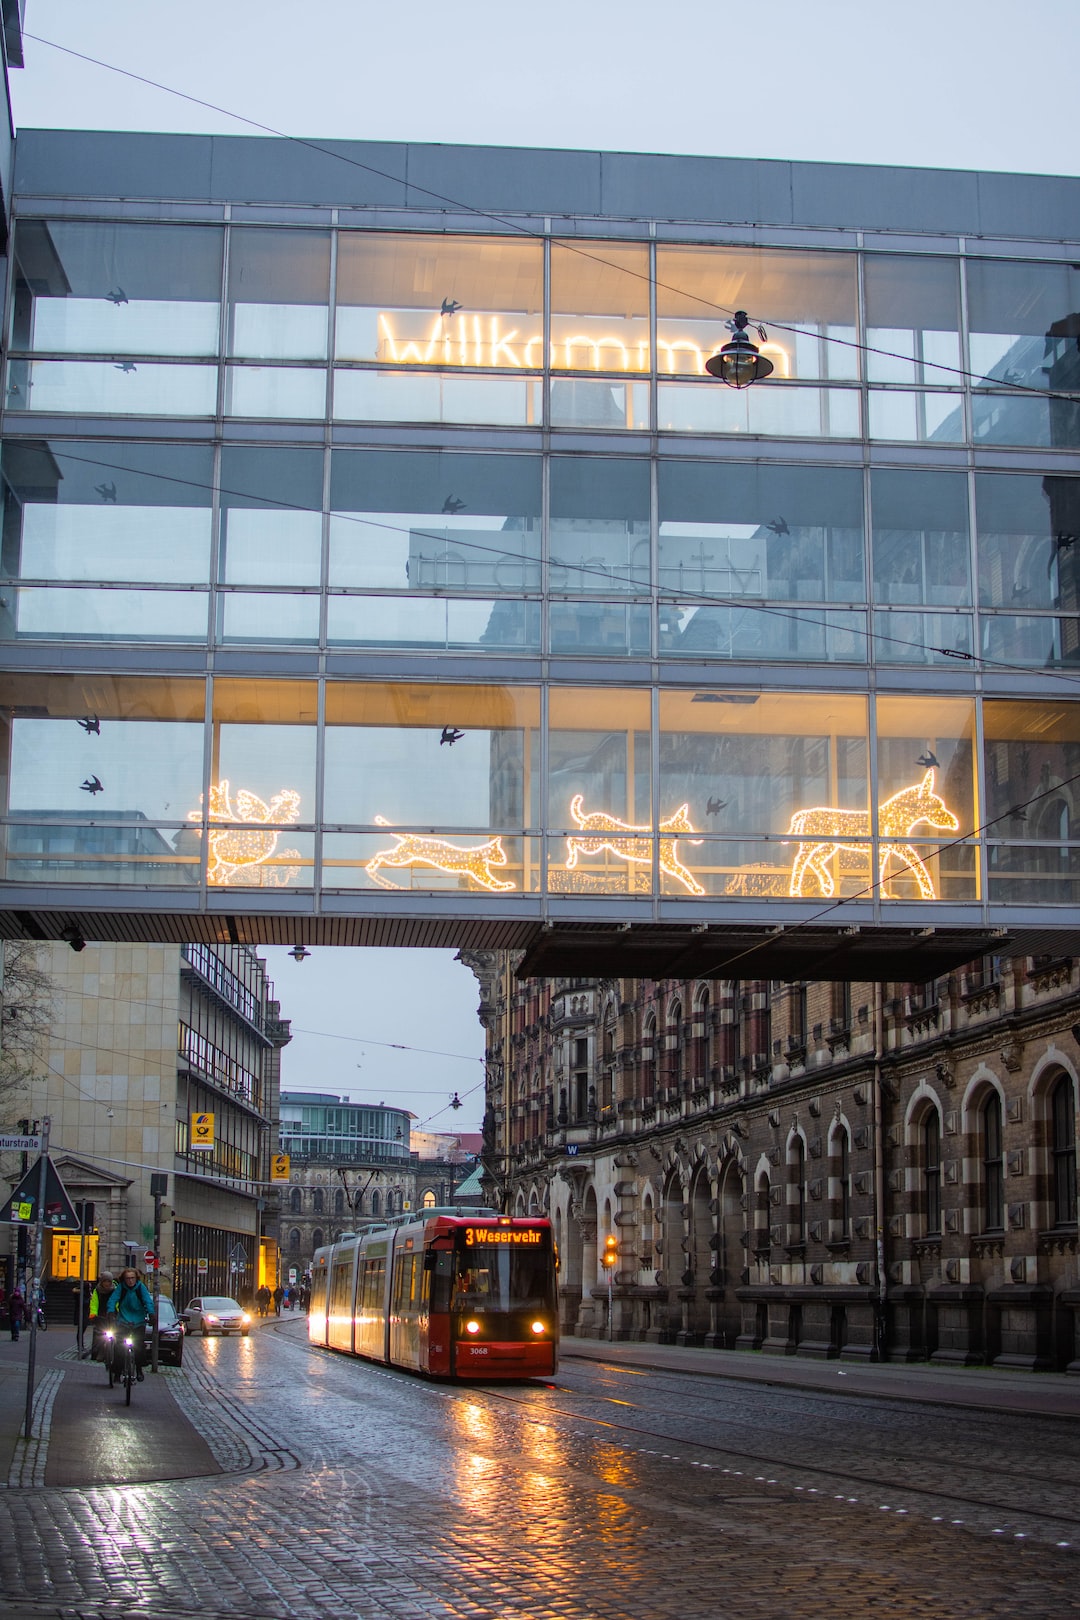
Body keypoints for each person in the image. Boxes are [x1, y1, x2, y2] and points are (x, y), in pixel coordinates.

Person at [106, 1268, 154, 1380]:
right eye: (127, 1278)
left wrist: (151, 1314)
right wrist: (111, 1311)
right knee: (119, 1347)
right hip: (123, 1320)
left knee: (139, 1346)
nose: (130, 1281)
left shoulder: (141, 1288)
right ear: (124, 1279)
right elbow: (113, 1300)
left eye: (132, 1278)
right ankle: (117, 1372)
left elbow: (148, 1301)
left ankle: (139, 1370)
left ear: (136, 1278)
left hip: (139, 1320)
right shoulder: (121, 1288)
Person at [88, 1271, 116, 1370]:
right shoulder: (97, 1291)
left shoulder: (115, 1290)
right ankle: (99, 1352)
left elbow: (117, 1302)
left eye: (109, 1281)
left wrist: (118, 1312)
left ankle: (115, 1353)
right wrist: (93, 1314)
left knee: (116, 1335)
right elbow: (94, 1303)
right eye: (105, 1281)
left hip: (112, 1315)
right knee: (100, 1335)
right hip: (101, 1315)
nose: (107, 1284)